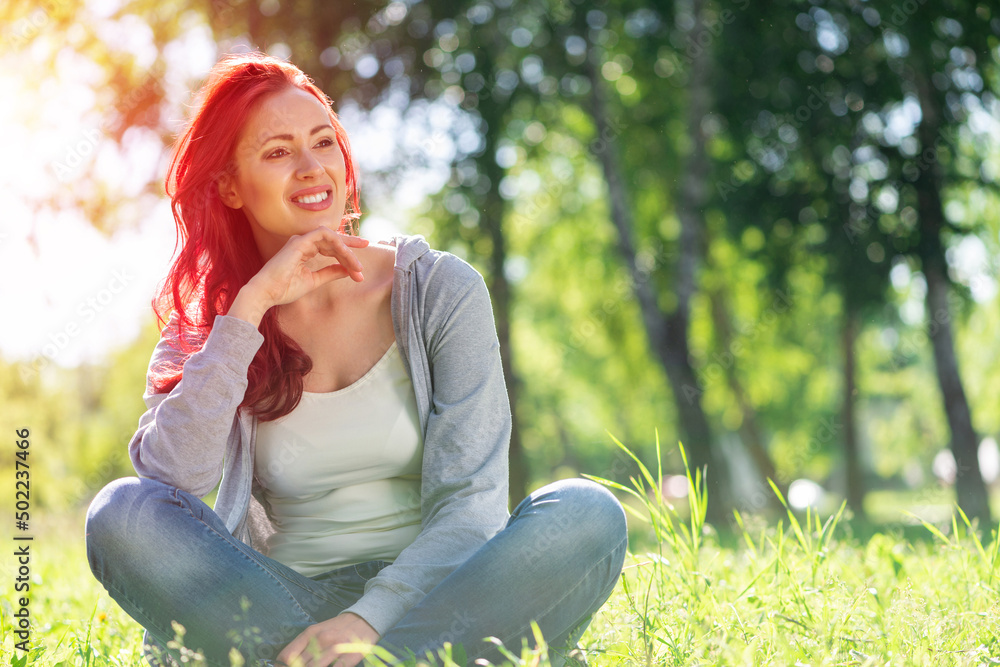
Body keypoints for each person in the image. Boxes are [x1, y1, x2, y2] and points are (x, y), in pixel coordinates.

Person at [85, 52, 627, 667]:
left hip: (438, 596)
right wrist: (250, 309)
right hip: (280, 605)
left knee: (585, 514)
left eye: (324, 142)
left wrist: (367, 621)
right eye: (278, 152)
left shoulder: (439, 290)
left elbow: (472, 503)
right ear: (229, 186)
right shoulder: (216, 318)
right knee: (122, 514)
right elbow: (172, 484)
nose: (313, 168)